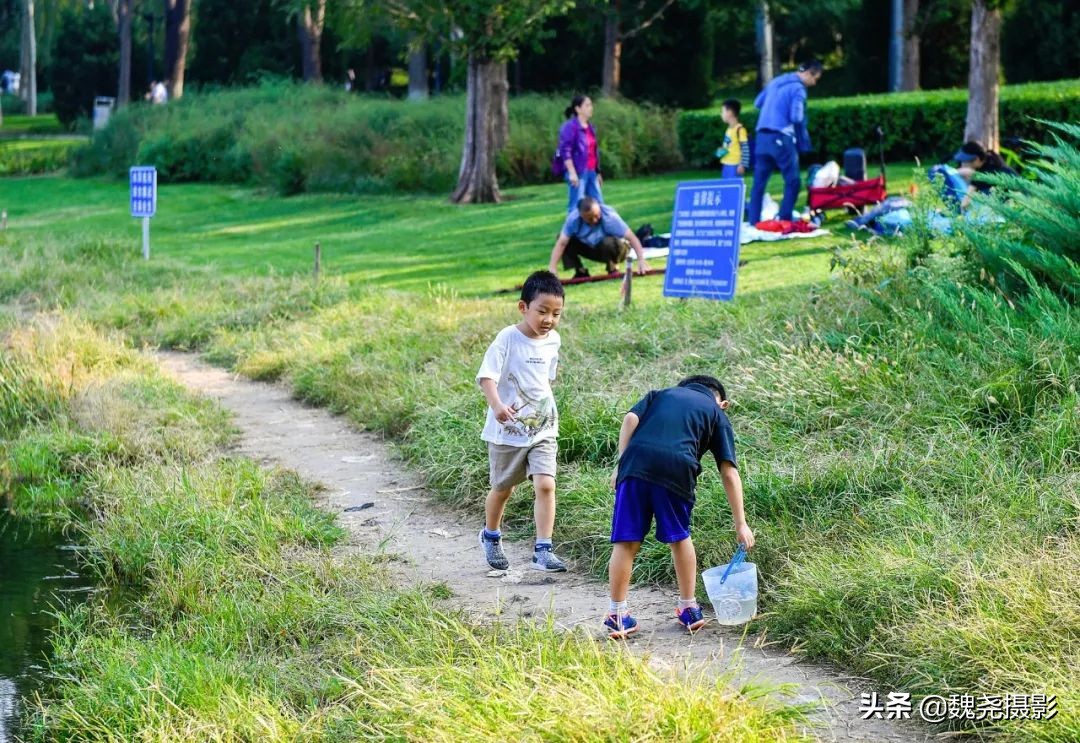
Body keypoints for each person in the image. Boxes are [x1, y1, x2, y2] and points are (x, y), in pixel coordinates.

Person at [605, 375, 755, 638]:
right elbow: (729, 472)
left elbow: (630, 419)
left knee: (626, 542)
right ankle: (688, 608)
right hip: (677, 469)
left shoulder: (661, 393)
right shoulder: (715, 412)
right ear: (723, 403)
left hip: (634, 464)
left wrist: (621, 464)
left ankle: (617, 614)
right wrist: (740, 523)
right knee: (679, 537)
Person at [477, 270, 569, 574]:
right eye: (542, 311)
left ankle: (543, 549)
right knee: (503, 488)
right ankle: (491, 535)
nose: (549, 319)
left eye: (556, 313)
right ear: (523, 307)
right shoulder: (508, 337)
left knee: (546, 484)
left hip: (543, 429)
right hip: (508, 431)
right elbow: (487, 376)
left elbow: (544, 381)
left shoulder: (553, 340)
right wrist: (498, 406)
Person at [747, 59, 823, 225]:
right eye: (815, 78)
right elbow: (796, 117)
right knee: (792, 181)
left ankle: (753, 221)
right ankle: (785, 220)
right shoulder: (798, 89)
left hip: (761, 137)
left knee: (758, 184)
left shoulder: (776, 81)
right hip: (781, 137)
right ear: (809, 73)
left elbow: (757, 103)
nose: (814, 83)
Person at [548, 197, 651, 279]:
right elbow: (561, 243)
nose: (594, 220)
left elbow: (632, 238)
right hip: (593, 248)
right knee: (562, 238)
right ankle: (580, 271)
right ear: (581, 216)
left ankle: (613, 267)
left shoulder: (609, 217)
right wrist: (552, 268)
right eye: (589, 218)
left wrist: (641, 260)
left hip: (619, 249)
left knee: (607, 242)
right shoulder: (573, 220)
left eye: (597, 215)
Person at [558, 95, 603, 213]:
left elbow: (593, 152)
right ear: (578, 109)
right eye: (587, 105)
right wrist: (572, 173)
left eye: (591, 105)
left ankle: (598, 232)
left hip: (592, 172)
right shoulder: (569, 127)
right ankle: (569, 232)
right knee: (575, 207)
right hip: (578, 173)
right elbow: (565, 151)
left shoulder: (590, 128)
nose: (591, 108)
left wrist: (597, 172)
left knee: (598, 205)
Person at [953, 141, 1018, 206]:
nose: (963, 165)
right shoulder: (989, 161)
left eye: (965, 161)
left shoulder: (986, 172)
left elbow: (965, 204)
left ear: (977, 159)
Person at [716, 98, 750, 179]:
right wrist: (721, 151)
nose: (721, 114)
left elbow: (745, 148)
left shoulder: (740, 130)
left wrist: (743, 164)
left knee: (734, 188)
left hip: (735, 165)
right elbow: (728, 146)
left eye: (722, 111)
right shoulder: (729, 130)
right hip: (726, 164)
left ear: (730, 112)